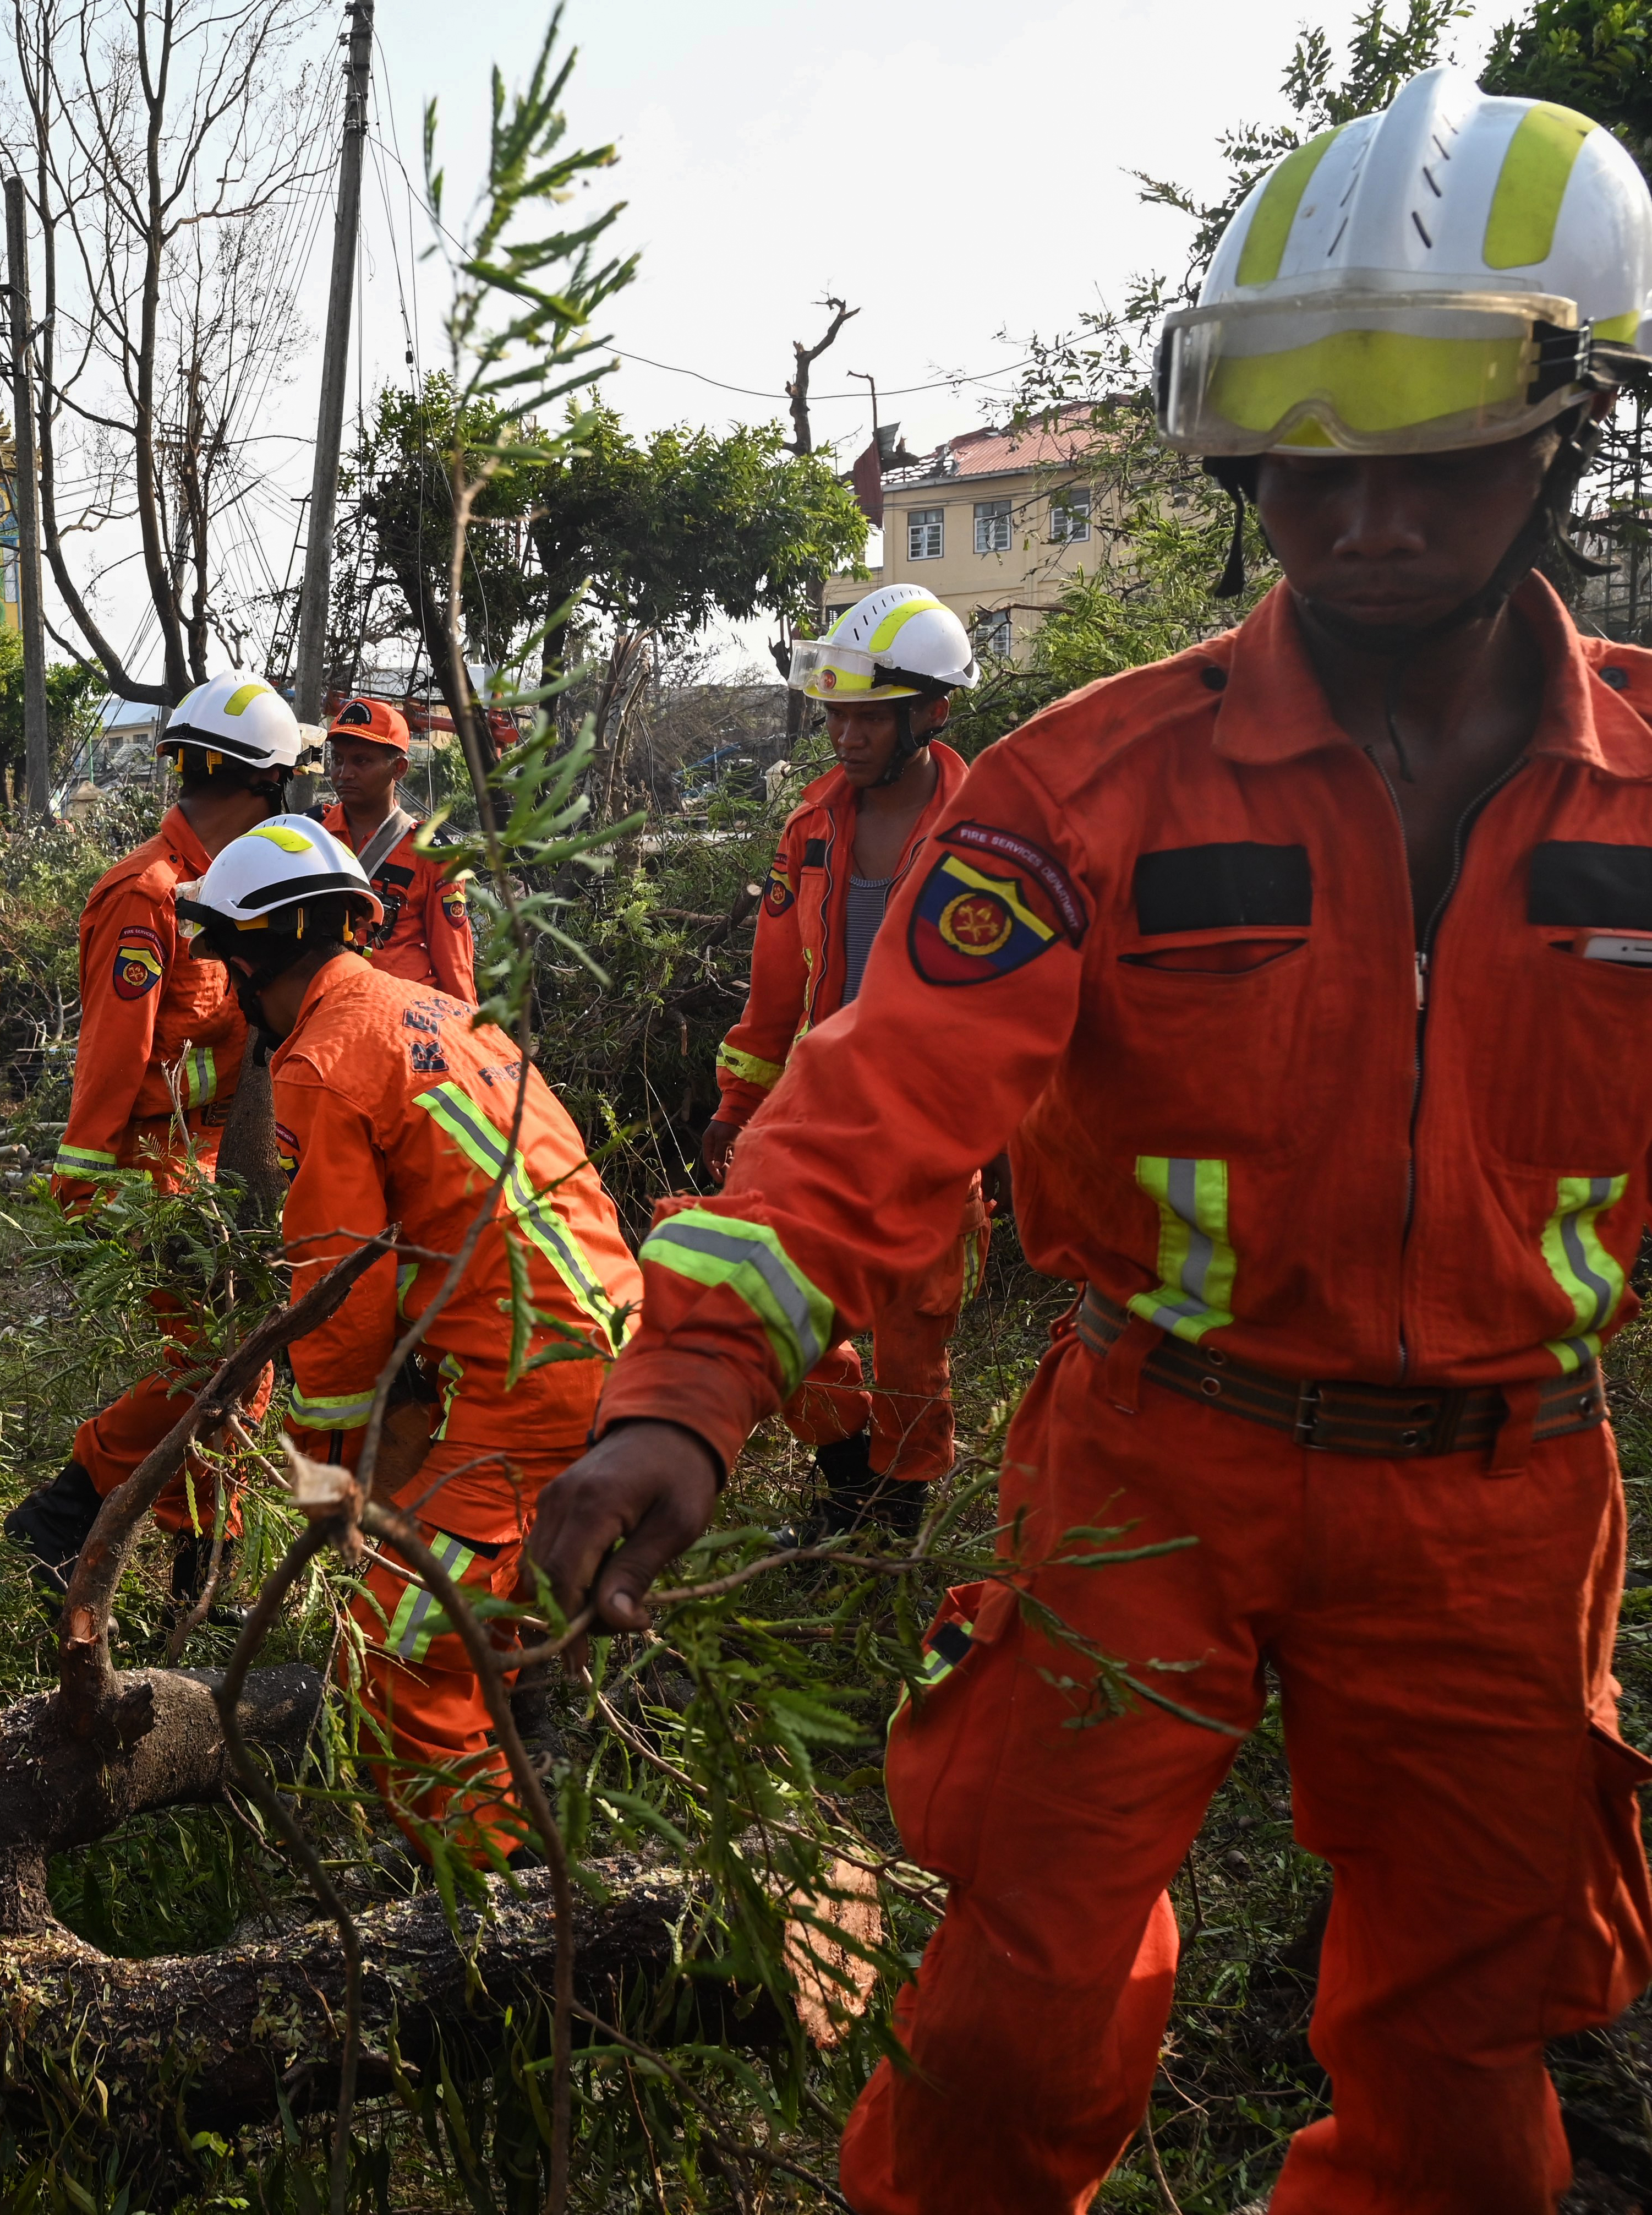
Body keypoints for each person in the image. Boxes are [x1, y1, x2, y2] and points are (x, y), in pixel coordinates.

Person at [533, 70, 1652, 2209]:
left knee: (1466, 2036)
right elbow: (871, 1092)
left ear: (1560, 422)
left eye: (1425, 443)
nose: (1361, 510)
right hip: (1155, 1456)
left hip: (1509, 1499)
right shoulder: (1089, 791)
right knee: (1022, 1990)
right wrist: (686, 1391)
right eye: (1303, 450)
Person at [180, 815, 636, 1861]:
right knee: (490, 1576)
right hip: (606, 1335)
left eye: (222, 957)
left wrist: (333, 1503)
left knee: (391, 1639)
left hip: (531, 1377)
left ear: (254, 952)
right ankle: (533, 1750)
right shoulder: (434, 1010)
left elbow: (340, 1311)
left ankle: (482, 1891)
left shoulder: (321, 1064)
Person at [6, 672, 305, 1609]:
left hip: (203, 1164)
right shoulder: (148, 897)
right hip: (144, 1166)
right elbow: (110, 1059)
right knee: (215, 1362)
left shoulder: (222, 888)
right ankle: (69, 1501)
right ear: (263, 787)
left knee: (235, 1378)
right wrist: (89, 1186)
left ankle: (198, 1581)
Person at [701, 587, 986, 1535]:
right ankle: (841, 1464)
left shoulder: (986, 832)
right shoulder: (809, 828)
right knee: (767, 1291)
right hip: (817, 1111)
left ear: (930, 710)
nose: (845, 733)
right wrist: (737, 1105)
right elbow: (773, 993)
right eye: (836, 711)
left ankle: (893, 1513)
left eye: (868, 713)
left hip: (931, 1125)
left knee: (913, 1329)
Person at [316, 695, 477, 1001]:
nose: (344, 773)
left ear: (399, 768)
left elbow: (453, 962)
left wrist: (472, 1034)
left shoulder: (434, 853)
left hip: (402, 1017)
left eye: (361, 761)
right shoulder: (313, 833)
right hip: (327, 1009)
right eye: (338, 759)